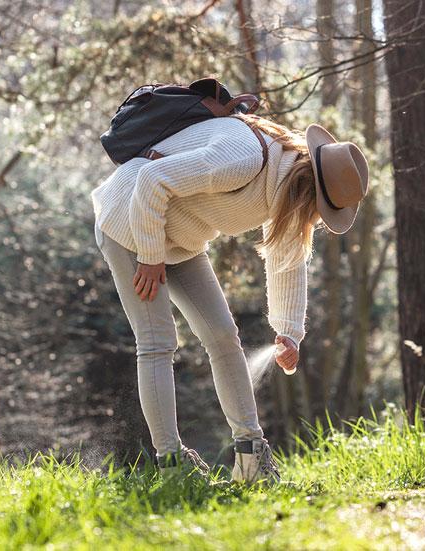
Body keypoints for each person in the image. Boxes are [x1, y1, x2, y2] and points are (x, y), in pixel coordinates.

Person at [90, 113, 369, 483]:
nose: (317, 220)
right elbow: (150, 179)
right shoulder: (245, 160)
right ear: (308, 188)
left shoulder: (283, 189)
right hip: (129, 220)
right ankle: (172, 465)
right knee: (157, 341)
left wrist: (289, 332)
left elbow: (288, 258)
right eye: (321, 210)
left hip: (181, 238)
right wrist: (150, 256)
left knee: (223, 336)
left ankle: (251, 456)